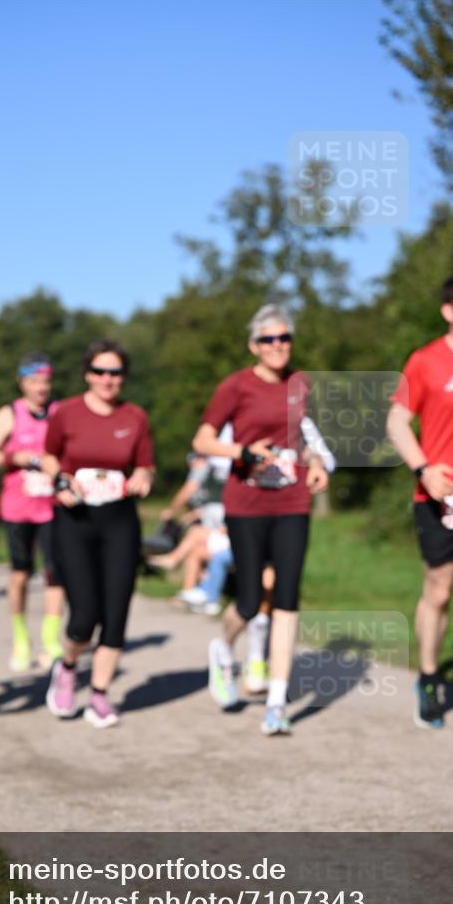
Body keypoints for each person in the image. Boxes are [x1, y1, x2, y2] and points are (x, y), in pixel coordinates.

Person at [192, 304, 328, 735]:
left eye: (284, 338)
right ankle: (222, 647)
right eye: (268, 339)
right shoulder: (236, 386)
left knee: (286, 597)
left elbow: (305, 438)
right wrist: (242, 453)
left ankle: (276, 702)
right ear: (254, 345)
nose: (278, 346)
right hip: (246, 503)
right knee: (250, 601)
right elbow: (203, 440)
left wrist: (318, 462)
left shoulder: (300, 386)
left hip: (291, 501)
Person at [42, 340, 154, 728]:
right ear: (88, 374)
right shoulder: (67, 413)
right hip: (75, 519)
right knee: (84, 614)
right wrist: (59, 480)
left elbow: (145, 466)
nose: (108, 379)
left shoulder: (135, 417)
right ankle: (69, 665)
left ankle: (101, 696)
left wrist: (143, 476)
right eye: (101, 372)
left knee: (116, 613)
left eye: (116, 372)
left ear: (123, 377)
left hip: (120, 520)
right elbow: (49, 456)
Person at [387, 272, 453, 729]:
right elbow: (396, 422)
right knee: (439, 591)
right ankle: (428, 676)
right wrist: (423, 467)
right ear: (450, 311)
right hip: (442, 495)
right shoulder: (424, 361)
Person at [0, 353, 64, 672]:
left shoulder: (60, 412)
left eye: (45, 381)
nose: (41, 388)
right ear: (22, 383)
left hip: (54, 506)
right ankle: (21, 639)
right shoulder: (9, 414)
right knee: (20, 573)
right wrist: (16, 458)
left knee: (56, 573)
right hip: (18, 508)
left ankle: (51, 640)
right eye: (34, 381)